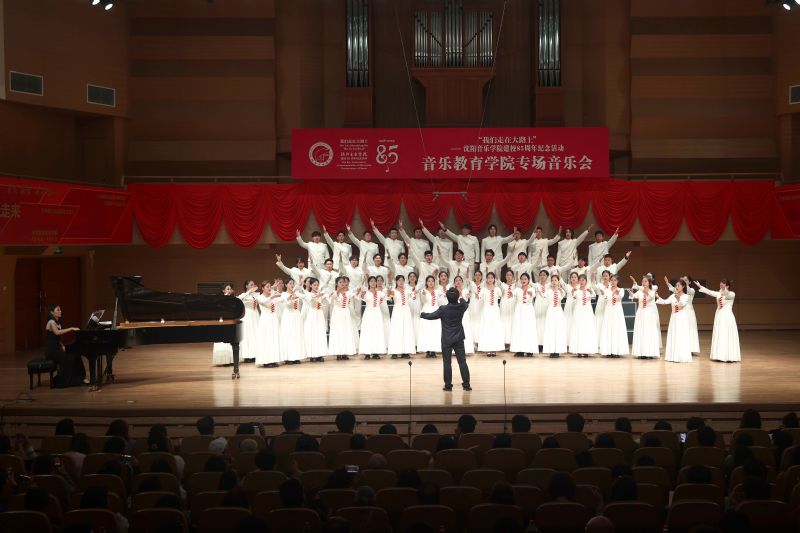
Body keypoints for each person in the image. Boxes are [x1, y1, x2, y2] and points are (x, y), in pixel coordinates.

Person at [420, 287, 471, 391]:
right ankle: (466, 385)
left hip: (447, 339)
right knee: (462, 362)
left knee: (447, 363)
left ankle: (448, 385)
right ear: (457, 296)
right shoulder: (461, 306)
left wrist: (422, 314)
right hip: (459, 338)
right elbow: (465, 303)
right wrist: (460, 297)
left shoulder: (443, 309)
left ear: (447, 297)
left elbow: (431, 316)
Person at [695, 278, 741, 363]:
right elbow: (709, 292)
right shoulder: (718, 293)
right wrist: (700, 286)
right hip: (719, 316)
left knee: (726, 334)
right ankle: (719, 355)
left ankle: (728, 356)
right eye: (721, 282)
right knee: (720, 334)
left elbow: (727, 294)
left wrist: (725, 289)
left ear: (727, 286)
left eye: (723, 283)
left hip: (727, 317)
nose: (721, 284)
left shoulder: (732, 294)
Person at [44, 304, 84, 388]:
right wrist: (71, 328)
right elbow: (57, 333)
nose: (60, 311)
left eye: (60, 309)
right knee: (69, 358)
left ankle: (80, 377)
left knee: (75, 354)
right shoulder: (51, 322)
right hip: (52, 351)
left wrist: (63, 346)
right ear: (52, 312)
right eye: (58, 310)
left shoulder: (57, 323)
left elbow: (57, 339)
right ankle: (64, 381)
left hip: (57, 349)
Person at [657, 279, 693, 363]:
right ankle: (673, 356)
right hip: (674, 318)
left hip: (682, 318)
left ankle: (680, 356)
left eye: (678, 285)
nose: (676, 287)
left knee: (681, 336)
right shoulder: (673, 296)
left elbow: (681, 304)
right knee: (674, 335)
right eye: (676, 285)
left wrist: (677, 297)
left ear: (683, 287)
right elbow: (665, 302)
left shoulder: (686, 296)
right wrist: (658, 297)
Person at [665, 275, 699, 353]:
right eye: (683, 280)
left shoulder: (692, 290)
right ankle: (682, 348)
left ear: (689, 282)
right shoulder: (679, 290)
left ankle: (691, 349)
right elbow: (673, 289)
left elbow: (687, 289)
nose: (684, 281)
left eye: (686, 280)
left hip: (689, 311)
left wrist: (683, 284)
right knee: (682, 330)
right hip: (681, 311)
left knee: (690, 329)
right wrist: (668, 283)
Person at [629, 275, 660, 359]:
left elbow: (649, 297)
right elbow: (633, 296)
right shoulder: (640, 292)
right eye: (642, 281)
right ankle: (641, 352)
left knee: (648, 331)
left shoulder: (652, 292)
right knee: (641, 331)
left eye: (645, 281)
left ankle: (649, 352)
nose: (643, 283)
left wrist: (643, 291)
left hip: (648, 314)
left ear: (649, 283)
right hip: (640, 313)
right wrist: (631, 293)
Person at [355, 277, 387, 359]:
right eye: (371, 281)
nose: (373, 283)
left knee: (377, 331)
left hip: (377, 313)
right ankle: (367, 352)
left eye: (374, 281)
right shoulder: (365, 292)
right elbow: (357, 297)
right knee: (368, 331)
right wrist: (361, 293)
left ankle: (376, 352)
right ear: (368, 283)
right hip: (368, 314)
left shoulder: (380, 293)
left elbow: (385, 299)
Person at [598, 275, 629, 358]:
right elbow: (605, 298)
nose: (613, 282)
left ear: (617, 281)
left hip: (617, 312)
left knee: (616, 329)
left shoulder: (621, 290)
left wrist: (615, 293)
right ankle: (608, 351)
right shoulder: (607, 290)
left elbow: (619, 298)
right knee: (608, 328)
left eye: (615, 280)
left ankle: (616, 351)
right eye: (611, 280)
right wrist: (603, 293)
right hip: (609, 311)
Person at [386, 275, 417, 359]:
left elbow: (414, 297)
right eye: (399, 280)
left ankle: (405, 351)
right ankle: (394, 351)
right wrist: (389, 291)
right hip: (397, 311)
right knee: (396, 330)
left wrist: (415, 292)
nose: (401, 282)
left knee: (406, 329)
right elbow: (388, 296)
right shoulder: (393, 291)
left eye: (402, 280)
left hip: (406, 311)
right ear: (396, 281)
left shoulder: (407, 291)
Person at [298, 278, 327, 362]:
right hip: (312, 315)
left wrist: (324, 295)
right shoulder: (308, 294)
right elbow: (308, 297)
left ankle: (320, 354)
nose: (316, 286)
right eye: (314, 285)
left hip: (319, 314)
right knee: (312, 334)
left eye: (317, 285)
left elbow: (327, 297)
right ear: (310, 285)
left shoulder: (320, 293)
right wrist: (318, 295)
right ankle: (312, 355)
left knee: (320, 333)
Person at [328, 277, 358, 361]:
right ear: (337, 283)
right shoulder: (334, 293)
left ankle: (345, 352)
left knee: (346, 331)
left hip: (345, 313)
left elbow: (357, 294)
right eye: (340, 282)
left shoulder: (348, 293)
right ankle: (338, 352)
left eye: (343, 282)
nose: (342, 284)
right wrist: (338, 290)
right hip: (337, 313)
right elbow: (331, 298)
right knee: (338, 332)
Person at [510, 273, 538, 357]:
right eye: (522, 279)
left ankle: (529, 350)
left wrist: (530, 294)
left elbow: (534, 295)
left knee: (528, 329)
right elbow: (512, 297)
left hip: (528, 310)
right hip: (519, 310)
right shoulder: (517, 290)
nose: (523, 280)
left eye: (525, 279)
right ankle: (520, 350)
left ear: (528, 280)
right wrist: (511, 295)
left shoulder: (532, 289)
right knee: (519, 329)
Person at [568, 274, 597, 357]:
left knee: (587, 329)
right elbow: (572, 298)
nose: (581, 282)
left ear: (586, 281)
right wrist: (572, 292)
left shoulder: (589, 289)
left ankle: (587, 350)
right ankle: (579, 350)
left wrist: (591, 291)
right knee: (579, 328)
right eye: (580, 280)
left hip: (587, 311)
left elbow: (594, 296)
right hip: (578, 311)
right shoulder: (576, 290)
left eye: (583, 280)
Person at [255, 281, 282, 368]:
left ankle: (273, 359)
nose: (269, 288)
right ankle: (266, 361)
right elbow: (263, 302)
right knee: (266, 339)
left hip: (273, 318)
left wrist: (275, 291)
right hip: (265, 320)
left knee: (273, 338)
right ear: (262, 288)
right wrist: (272, 296)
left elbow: (281, 297)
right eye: (267, 287)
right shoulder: (259, 297)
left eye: (270, 286)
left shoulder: (272, 295)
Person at [477, 272, 504, 357]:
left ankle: (494, 348)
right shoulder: (483, 289)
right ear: (486, 279)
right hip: (486, 310)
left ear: (494, 279)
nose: (490, 279)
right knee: (487, 328)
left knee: (495, 329)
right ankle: (487, 348)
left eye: (492, 277)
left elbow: (502, 296)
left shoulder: (497, 289)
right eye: (488, 277)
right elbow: (479, 297)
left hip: (495, 310)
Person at [278, 280, 304, 364]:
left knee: (296, 335)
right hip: (288, 316)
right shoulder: (283, 294)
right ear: (286, 285)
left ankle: (296, 357)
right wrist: (290, 297)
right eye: (290, 283)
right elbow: (285, 301)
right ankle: (288, 357)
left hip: (296, 315)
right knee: (289, 335)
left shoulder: (297, 294)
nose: (292, 285)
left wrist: (299, 285)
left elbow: (305, 296)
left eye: (293, 283)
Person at [542, 275, 568, 358]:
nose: (554, 282)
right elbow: (543, 296)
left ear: (558, 281)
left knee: (558, 330)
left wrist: (559, 290)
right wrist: (539, 291)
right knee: (551, 330)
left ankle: (557, 351)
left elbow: (562, 296)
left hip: (558, 311)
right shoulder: (548, 291)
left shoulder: (561, 291)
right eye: (552, 280)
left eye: (555, 280)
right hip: (550, 311)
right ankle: (551, 350)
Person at [417, 276, 443, 358]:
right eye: (429, 281)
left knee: (435, 330)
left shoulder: (438, 291)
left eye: (432, 281)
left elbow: (441, 301)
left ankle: (434, 350)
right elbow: (422, 301)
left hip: (436, 311)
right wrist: (423, 295)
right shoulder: (423, 291)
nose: (431, 283)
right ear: (426, 283)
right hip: (426, 311)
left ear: (434, 282)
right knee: (426, 331)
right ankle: (427, 350)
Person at [212, 284, 236, 366]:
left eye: (230, 289)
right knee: (223, 339)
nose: (229, 290)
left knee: (230, 339)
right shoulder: (219, 299)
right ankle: (223, 360)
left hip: (230, 320)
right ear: (223, 290)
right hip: (222, 320)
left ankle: (231, 359)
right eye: (228, 289)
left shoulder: (232, 299)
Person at [238, 280, 260, 365]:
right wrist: (249, 292)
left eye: (253, 285)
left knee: (255, 334)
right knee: (248, 335)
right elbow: (238, 299)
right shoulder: (244, 295)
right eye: (251, 285)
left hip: (255, 315)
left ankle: (254, 354)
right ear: (246, 286)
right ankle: (247, 356)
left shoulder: (256, 295)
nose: (253, 286)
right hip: (247, 316)